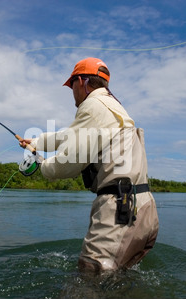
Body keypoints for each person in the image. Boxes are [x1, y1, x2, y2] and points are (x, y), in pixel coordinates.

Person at [20, 57, 159, 274]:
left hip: (119, 210)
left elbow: (67, 164)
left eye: (72, 85)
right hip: (144, 210)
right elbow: (69, 135)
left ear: (83, 82)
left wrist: (40, 164)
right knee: (119, 282)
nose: (72, 91)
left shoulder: (92, 107)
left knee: (90, 281)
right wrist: (36, 142)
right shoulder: (112, 108)